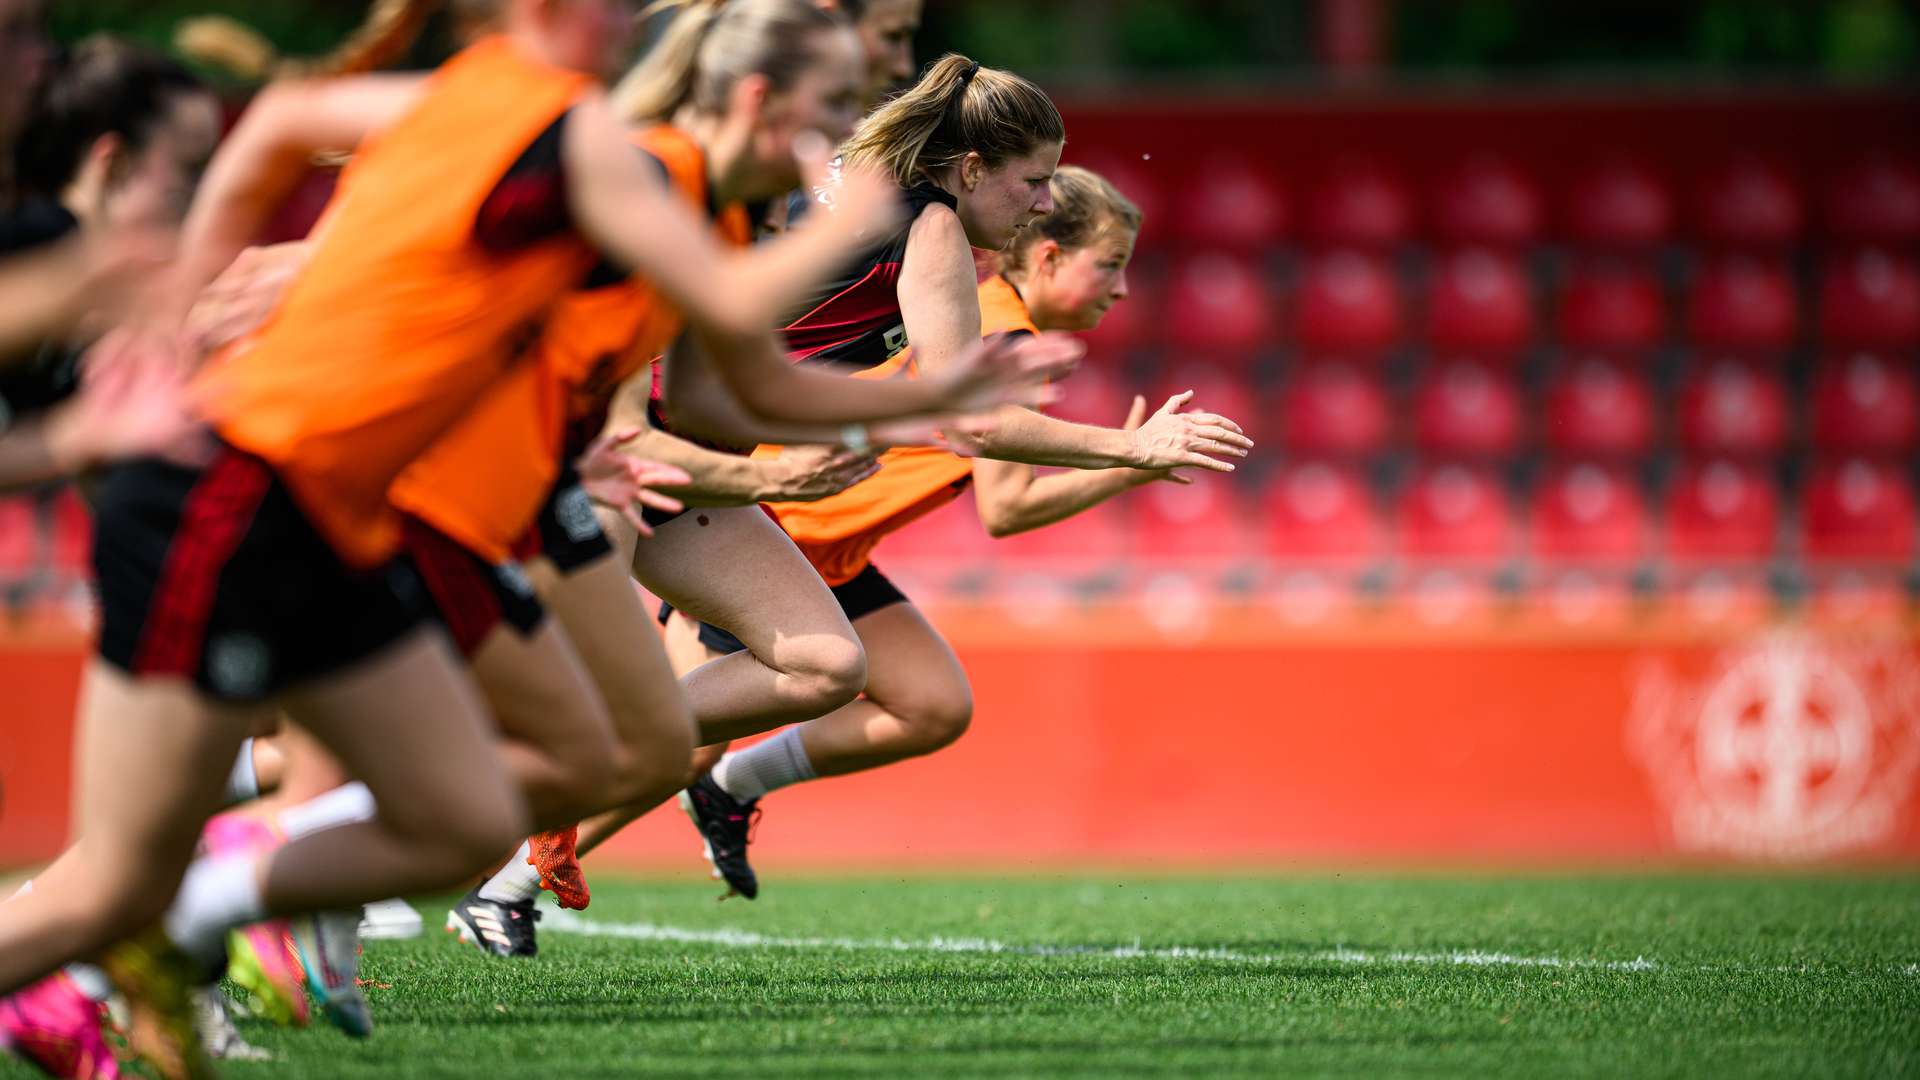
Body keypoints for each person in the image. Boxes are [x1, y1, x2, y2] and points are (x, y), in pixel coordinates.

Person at [0, 0, 1021, 1073]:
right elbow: (715, 300)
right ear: (756, 98)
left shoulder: (660, 182)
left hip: (364, 502)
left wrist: (910, 404)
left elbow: (733, 388)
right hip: (266, 490)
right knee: (153, 855)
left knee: (481, 805)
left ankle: (206, 905)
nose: (838, 141)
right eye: (824, 110)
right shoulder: (610, 150)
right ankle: (179, 920)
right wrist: (856, 225)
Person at [622, 57, 1247, 900]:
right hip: (669, 453)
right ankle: (495, 854)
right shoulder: (940, 242)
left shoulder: (857, 181)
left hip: (698, 462)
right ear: (972, 168)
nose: (1038, 206)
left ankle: (540, 834)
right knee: (479, 659)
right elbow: (983, 450)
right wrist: (1133, 453)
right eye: (1035, 182)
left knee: (857, 683)